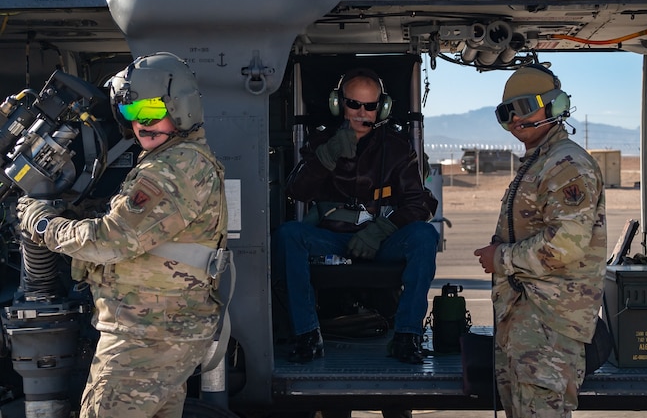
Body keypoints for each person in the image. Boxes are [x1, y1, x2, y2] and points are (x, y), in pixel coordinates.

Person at [17, 52, 229, 418]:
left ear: (182, 108)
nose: (140, 124)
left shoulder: (171, 169)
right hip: (165, 333)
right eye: (130, 114)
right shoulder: (183, 160)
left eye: (149, 111)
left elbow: (109, 241)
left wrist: (42, 225)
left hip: (145, 337)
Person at [273, 67, 439, 365]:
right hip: (332, 240)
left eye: (371, 106)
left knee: (425, 235)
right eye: (354, 104)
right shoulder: (321, 143)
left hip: (381, 240)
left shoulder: (398, 149)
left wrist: (381, 230)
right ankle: (307, 335)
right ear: (339, 104)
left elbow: (420, 204)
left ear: (382, 109)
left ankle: (407, 335)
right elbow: (296, 189)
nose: (362, 113)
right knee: (289, 235)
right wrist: (327, 155)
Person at [473, 64, 607, 418]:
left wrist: (500, 259)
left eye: (526, 108)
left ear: (554, 107)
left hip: (548, 323)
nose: (517, 120)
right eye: (507, 113)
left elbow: (566, 244)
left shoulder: (566, 164)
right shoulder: (541, 161)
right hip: (528, 318)